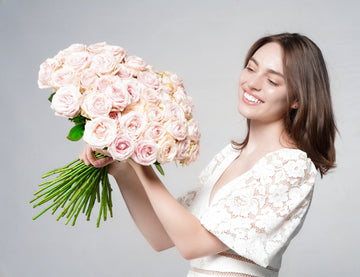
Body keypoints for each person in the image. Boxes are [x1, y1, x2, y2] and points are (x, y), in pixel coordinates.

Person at [79, 32, 337, 277]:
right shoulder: (230, 156)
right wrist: (122, 168)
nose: (253, 83)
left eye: (272, 81)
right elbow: (161, 236)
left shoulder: (291, 166)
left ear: (297, 99)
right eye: (250, 67)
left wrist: (140, 161)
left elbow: (193, 244)